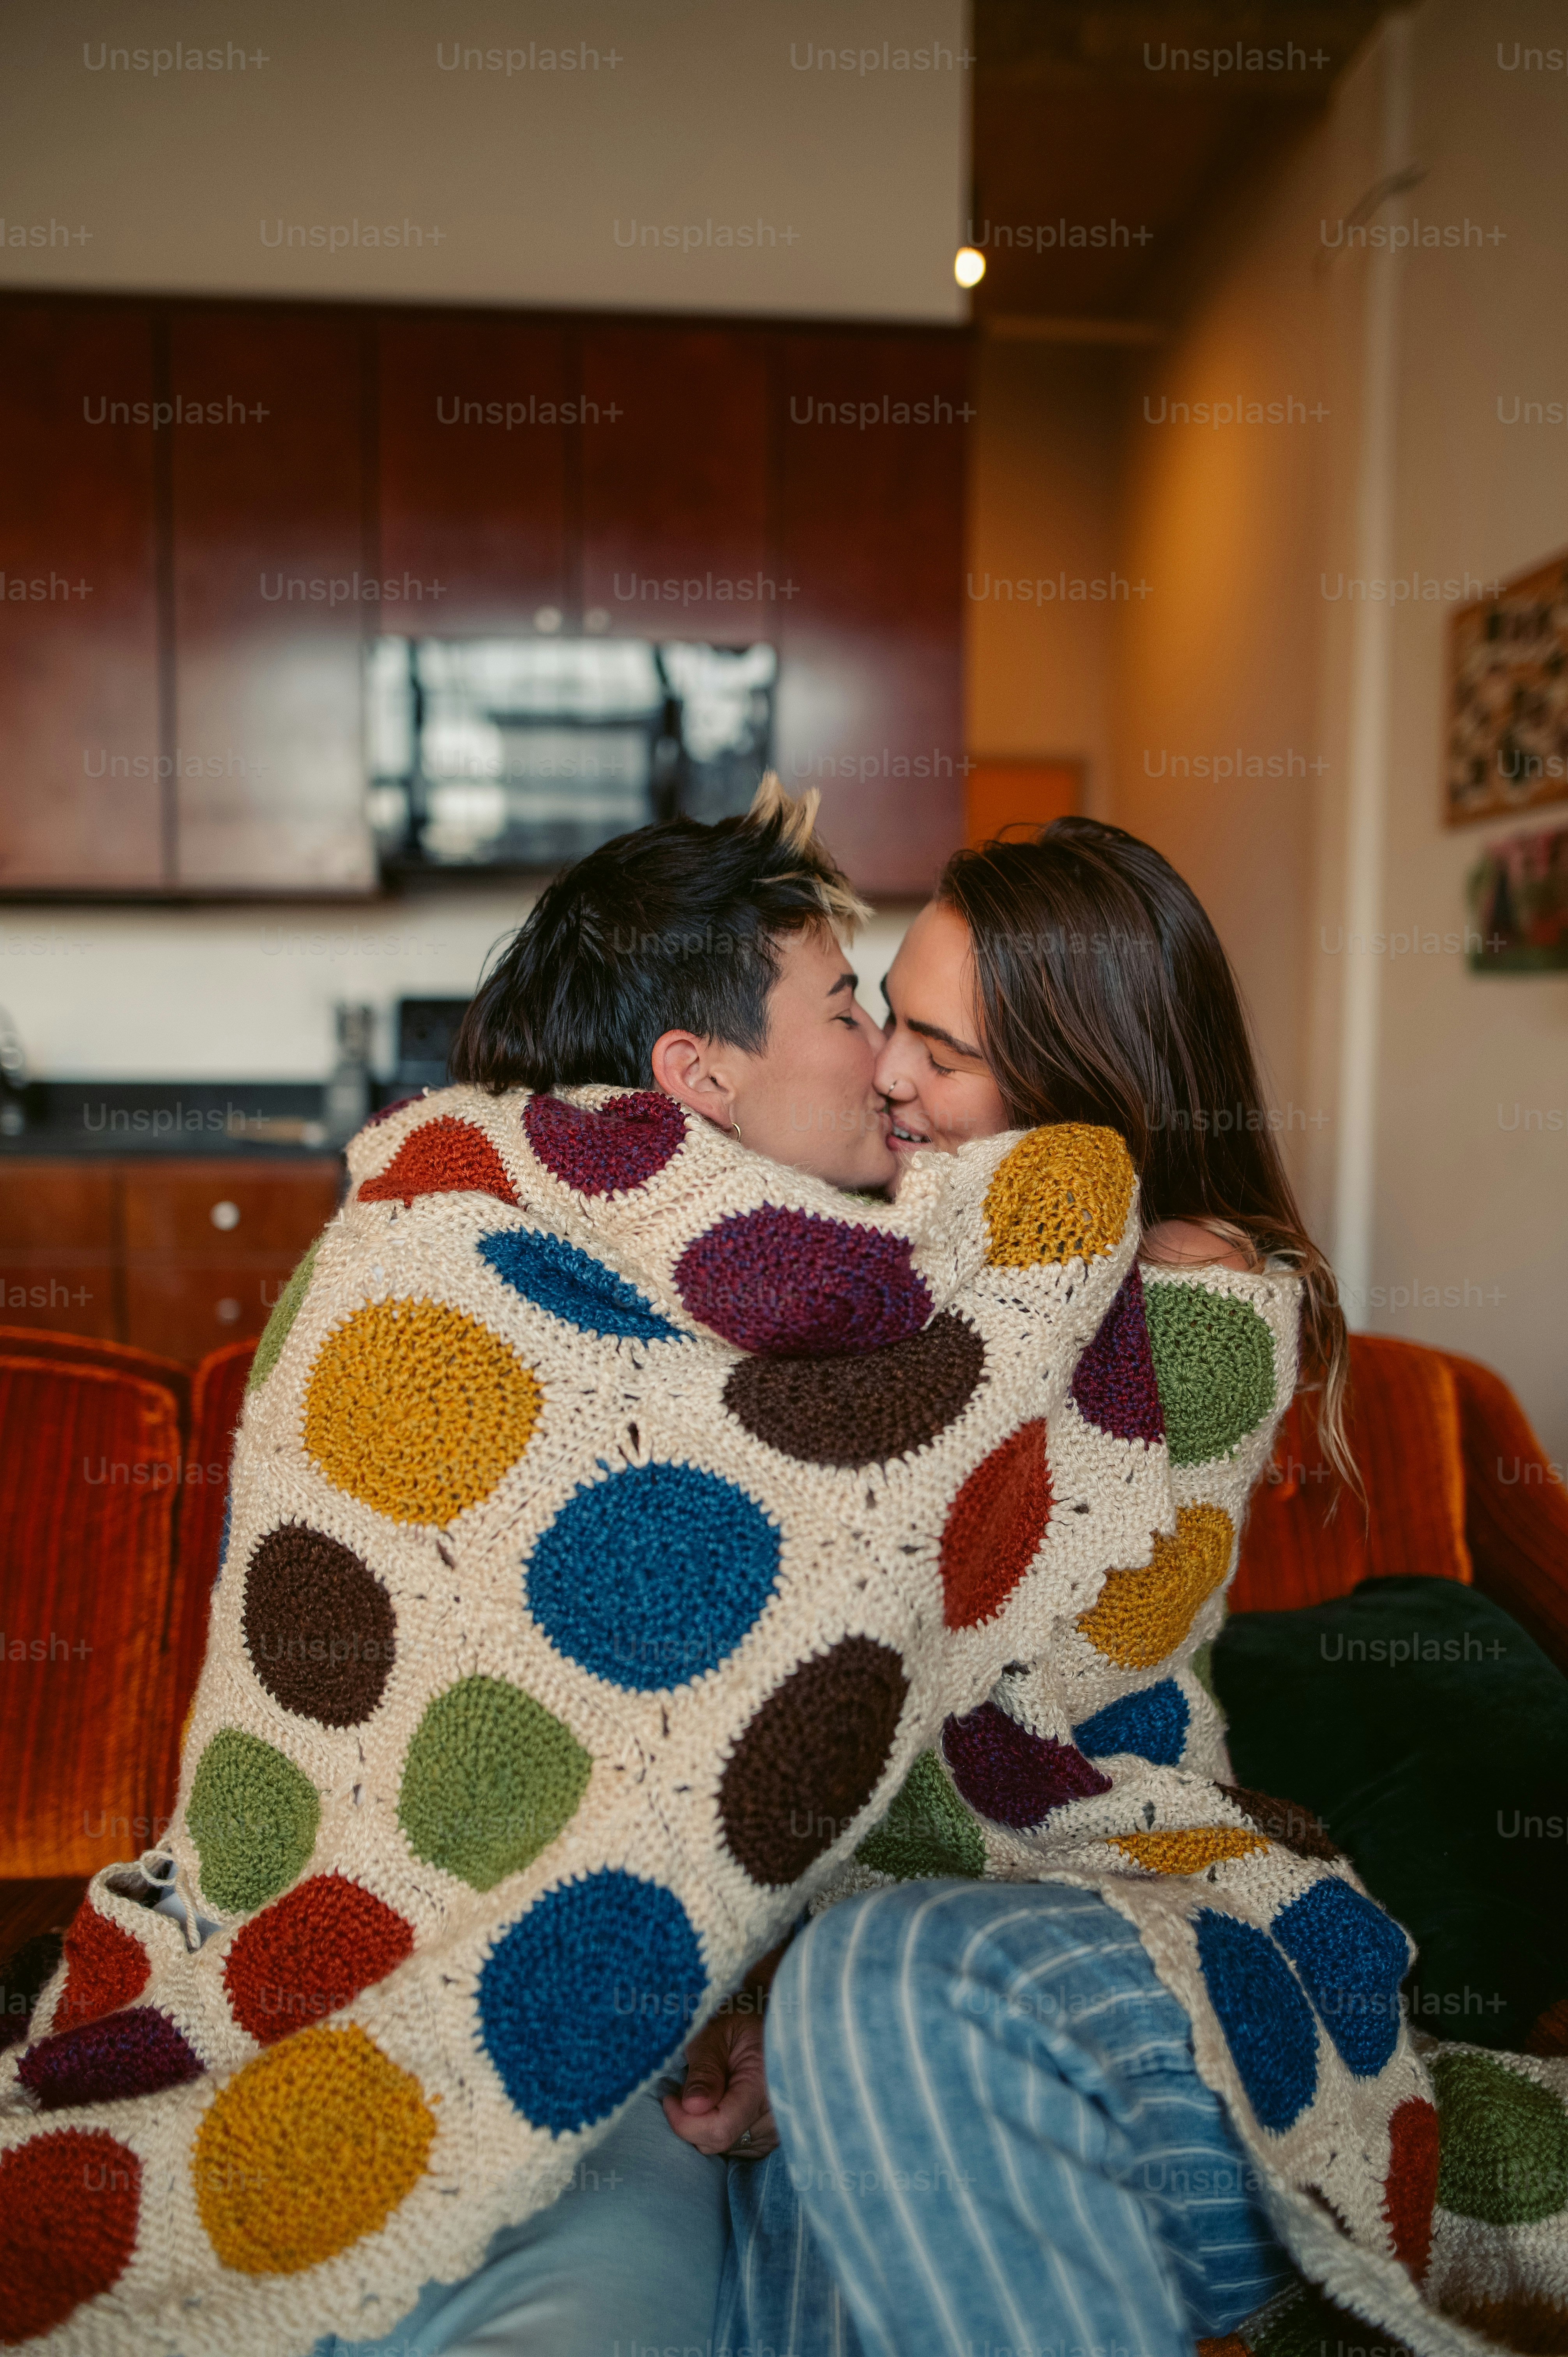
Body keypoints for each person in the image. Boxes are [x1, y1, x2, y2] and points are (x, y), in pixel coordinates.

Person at [673, 817, 1360, 2357]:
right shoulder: (900, 1258)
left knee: (864, 1978)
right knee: (804, 2200)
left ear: (1084, 1084)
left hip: (1130, 1915)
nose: (886, 1076)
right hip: (912, 1986)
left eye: (943, 1051)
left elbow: (957, 1659)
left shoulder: (1193, 1294)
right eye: (886, 1024)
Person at [309, 776, 899, 2357]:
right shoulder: (461, 1275)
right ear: (699, 1077)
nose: (891, 1059)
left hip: (635, 2063)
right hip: (438, 2005)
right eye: (848, 1008)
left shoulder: (860, 1329)